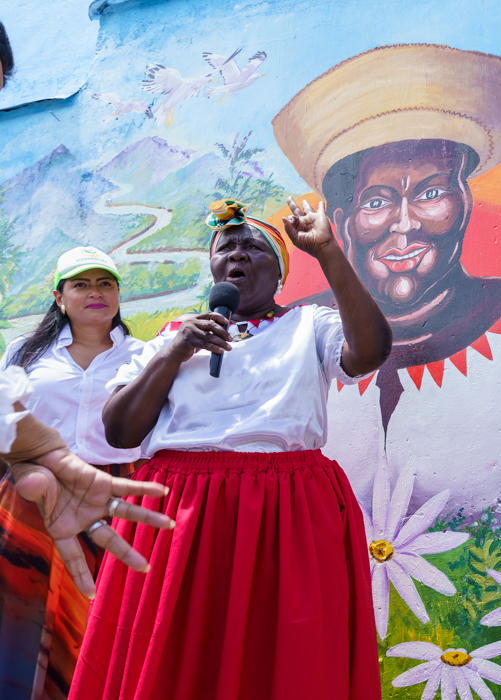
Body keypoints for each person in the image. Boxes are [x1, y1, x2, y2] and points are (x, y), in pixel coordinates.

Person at [68, 200, 391, 700]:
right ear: (215, 269)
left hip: (285, 510)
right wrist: (177, 352)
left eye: (253, 246)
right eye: (227, 247)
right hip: (182, 512)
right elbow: (120, 431)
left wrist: (327, 252)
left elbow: (370, 351)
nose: (237, 254)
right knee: (177, 650)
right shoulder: (175, 337)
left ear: (279, 272)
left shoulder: (310, 327)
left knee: (280, 652)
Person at [271, 44, 501, 529]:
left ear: (465, 204)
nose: (405, 224)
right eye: (375, 202)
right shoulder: (287, 340)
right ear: (339, 221)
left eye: (431, 193)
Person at [0, 247, 147, 700]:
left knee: (101, 613)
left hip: (114, 500)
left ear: (119, 294)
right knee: (21, 608)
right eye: (81, 284)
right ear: (59, 297)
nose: (95, 293)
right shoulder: (24, 353)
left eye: (106, 283)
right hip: (31, 498)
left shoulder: (145, 355)